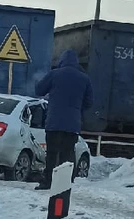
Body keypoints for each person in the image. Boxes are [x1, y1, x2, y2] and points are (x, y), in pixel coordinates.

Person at [35, 49, 94, 190]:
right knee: (67, 153)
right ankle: (63, 183)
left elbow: (39, 90)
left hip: (54, 122)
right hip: (72, 124)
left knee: (52, 153)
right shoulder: (84, 78)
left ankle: (47, 181)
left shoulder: (54, 74)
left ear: (62, 60)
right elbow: (89, 103)